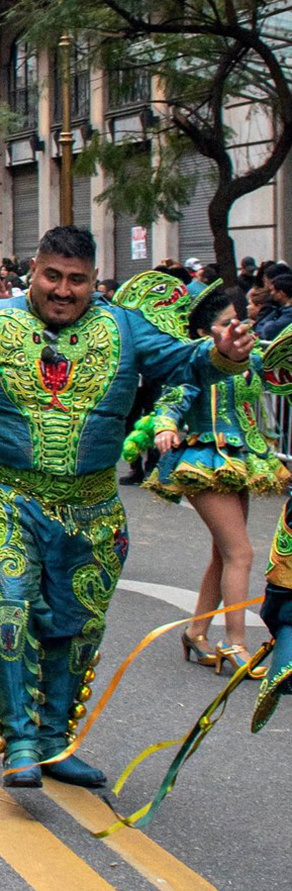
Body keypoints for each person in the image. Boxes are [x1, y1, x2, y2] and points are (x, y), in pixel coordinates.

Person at [0, 233, 258, 789]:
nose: (63, 291)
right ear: (35, 273)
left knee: (75, 626)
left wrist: (223, 354)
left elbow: (184, 360)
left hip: (91, 508)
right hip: (5, 494)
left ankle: (53, 742)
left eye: (77, 280)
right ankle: (18, 740)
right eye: (53, 277)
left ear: (93, 281)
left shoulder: (122, 327)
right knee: (8, 609)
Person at [144, 286, 287, 675]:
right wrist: (165, 426)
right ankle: (235, 642)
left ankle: (196, 631)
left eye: (237, 322)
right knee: (240, 553)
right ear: (204, 334)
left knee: (222, 554)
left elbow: (278, 373)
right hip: (204, 460)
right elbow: (174, 396)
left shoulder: (249, 358)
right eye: (225, 324)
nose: (235, 330)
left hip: (239, 458)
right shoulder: (194, 361)